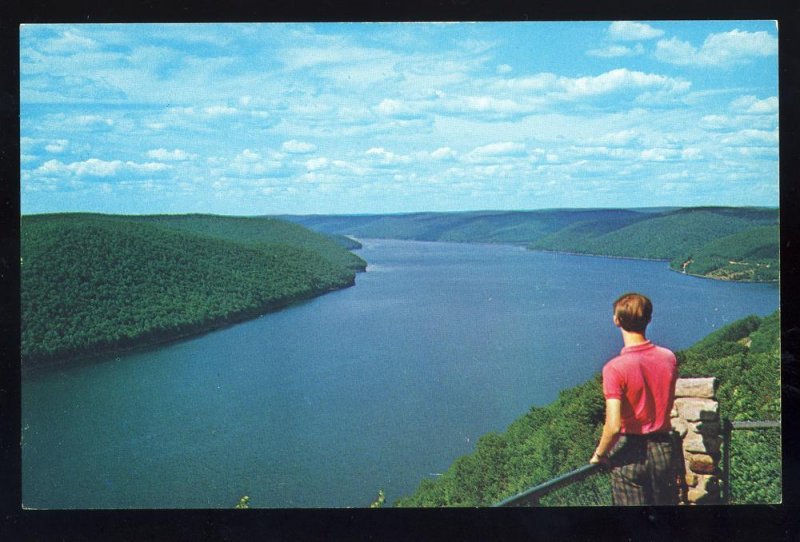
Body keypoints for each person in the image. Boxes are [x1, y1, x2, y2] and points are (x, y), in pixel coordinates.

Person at [589, 292, 681, 505]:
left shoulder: (614, 368)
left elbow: (612, 426)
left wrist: (600, 454)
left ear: (616, 320)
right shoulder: (668, 357)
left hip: (630, 452)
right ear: (649, 319)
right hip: (663, 448)